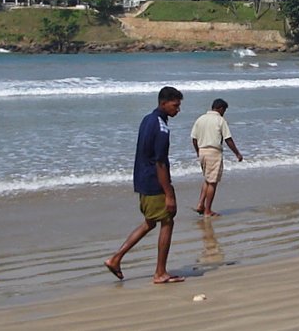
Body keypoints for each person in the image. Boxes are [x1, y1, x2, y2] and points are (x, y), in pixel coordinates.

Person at [104, 86, 185, 284]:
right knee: (167, 221)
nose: (178, 110)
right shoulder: (162, 128)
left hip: (141, 180)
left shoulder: (148, 119)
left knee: (150, 222)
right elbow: (160, 163)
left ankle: (116, 258)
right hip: (153, 181)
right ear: (163, 103)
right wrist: (169, 193)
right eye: (175, 105)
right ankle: (160, 273)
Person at [191, 98, 243, 217]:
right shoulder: (220, 120)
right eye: (224, 110)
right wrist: (237, 153)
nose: (224, 113)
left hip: (202, 151)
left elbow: (194, 138)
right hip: (213, 152)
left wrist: (198, 151)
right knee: (213, 182)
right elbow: (228, 139)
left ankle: (200, 204)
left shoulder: (200, 119)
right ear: (220, 108)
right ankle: (208, 210)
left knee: (207, 179)